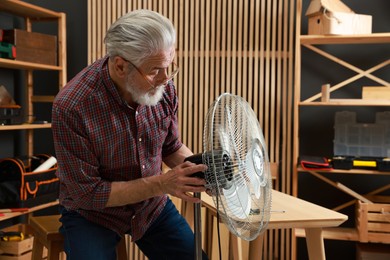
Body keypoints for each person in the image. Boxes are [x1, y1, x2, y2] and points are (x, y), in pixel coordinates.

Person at [52, 9, 209, 260]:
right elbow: (88, 194)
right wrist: (163, 183)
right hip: (93, 214)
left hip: (150, 207)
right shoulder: (72, 106)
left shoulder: (164, 88)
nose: (166, 79)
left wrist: (204, 173)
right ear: (121, 66)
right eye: (155, 70)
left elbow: (171, 147)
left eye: (169, 66)